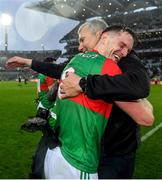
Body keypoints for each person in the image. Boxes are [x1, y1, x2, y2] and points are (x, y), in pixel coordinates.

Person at [6, 20, 154, 179]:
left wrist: (83, 83)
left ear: (100, 36)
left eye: (83, 39)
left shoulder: (122, 59)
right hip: (89, 146)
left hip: (115, 150)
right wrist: (28, 62)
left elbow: (143, 107)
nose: (79, 46)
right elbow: (60, 69)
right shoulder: (84, 60)